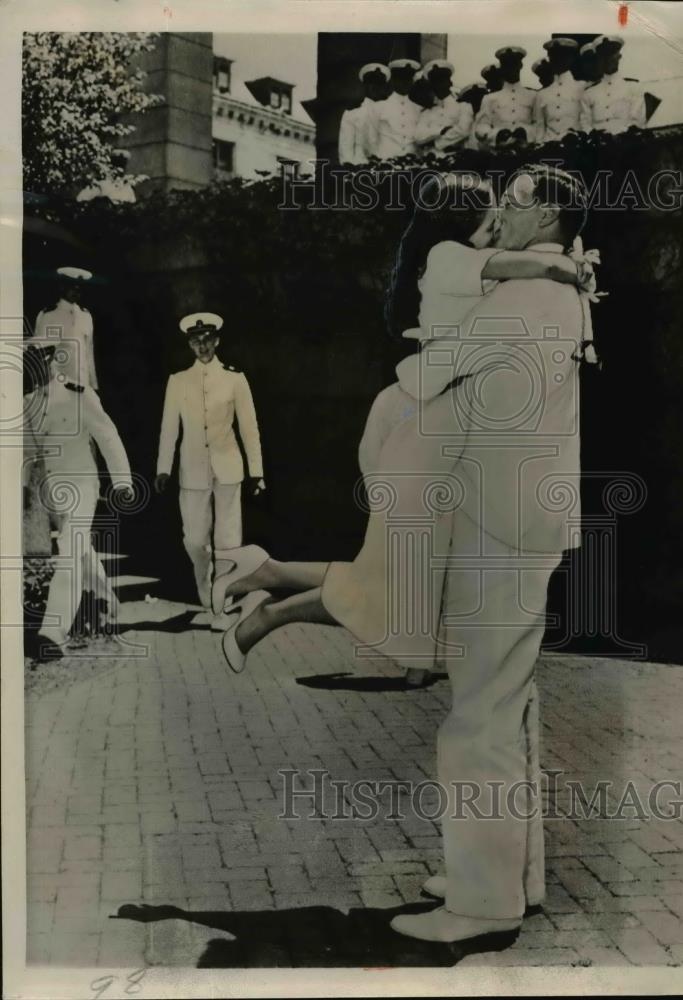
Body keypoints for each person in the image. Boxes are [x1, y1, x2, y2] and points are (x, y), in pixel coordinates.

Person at [23, 342, 133, 661]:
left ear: (53, 358)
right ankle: (107, 601)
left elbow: (107, 436)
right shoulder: (28, 403)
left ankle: (52, 633)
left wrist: (122, 481)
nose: (38, 364)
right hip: (52, 491)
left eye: (42, 357)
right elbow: (27, 453)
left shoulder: (79, 394)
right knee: (80, 548)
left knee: (70, 548)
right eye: (30, 359)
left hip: (84, 484)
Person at [155, 313, 265, 624]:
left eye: (206, 339)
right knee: (194, 540)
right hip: (192, 471)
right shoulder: (178, 382)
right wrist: (163, 468)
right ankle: (207, 597)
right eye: (195, 340)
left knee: (228, 540)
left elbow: (249, 427)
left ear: (217, 340)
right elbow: (168, 429)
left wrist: (257, 471)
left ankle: (222, 605)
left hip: (228, 468)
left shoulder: (234, 379)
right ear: (189, 343)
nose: (201, 345)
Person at [33, 267, 98, 390]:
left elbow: (89, 352)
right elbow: (42, 354)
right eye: (72, 287)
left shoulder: (85, 316)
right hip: (58, 386)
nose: (76, 291)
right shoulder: (50, 315)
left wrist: (93, 385)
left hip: (83, 385)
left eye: (79, 288)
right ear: (62, 287)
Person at [580, 35, 647, 133]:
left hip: (626, 143)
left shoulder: (634, 87)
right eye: (603, 56)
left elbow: (637, 120)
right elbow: (585, 125)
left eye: (611, 55)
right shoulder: (589, 93)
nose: (608, 59)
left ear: (619, 57)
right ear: (598, 59)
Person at [473, 47, 537, 148]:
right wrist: (497, 135)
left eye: (514, 64)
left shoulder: (533, 96)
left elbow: (540, 124)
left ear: (520, 65)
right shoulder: (489, 99)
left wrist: (526, 133)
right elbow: (481, 126)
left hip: (527, 151)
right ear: (502, 68)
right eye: (507, 65)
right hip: (500, 152)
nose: (511, 68)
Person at [365, 58, 421, 160]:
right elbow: (371, 139)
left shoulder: (418, 109)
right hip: (386, 162)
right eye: (401, 79)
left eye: (408, 79)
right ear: (394, 81)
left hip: (413, 163)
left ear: (412, 81)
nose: (405, 83)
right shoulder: (378, 107)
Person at [532, 37, 586, 143]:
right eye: (553, 56)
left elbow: (586, 121)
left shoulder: (582, 87)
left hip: (575, 147)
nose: (558, 60)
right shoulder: (542, 94)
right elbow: (539, 127)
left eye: (562, 56)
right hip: (549, 147)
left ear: (571, 59)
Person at [414, 60, 473, 153]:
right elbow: (418, 137)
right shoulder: (427, 111)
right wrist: (441, 131)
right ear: (431, 85)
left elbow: (463, 130)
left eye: (442, 81)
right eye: (435, 82)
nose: (439, 85)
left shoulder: (463, 106)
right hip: (429, 160)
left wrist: (434, 143)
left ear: (450, 83)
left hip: (453, 157)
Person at [337, 63, 390, 166]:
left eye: (379, 83)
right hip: (361, 168)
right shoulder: (352, 112)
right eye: (371, 83)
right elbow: (346, 147)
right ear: (365, 85)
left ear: (384, 86)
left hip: (390, 168)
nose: (375, 87)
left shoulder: (391, 110)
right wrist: (349, 169)